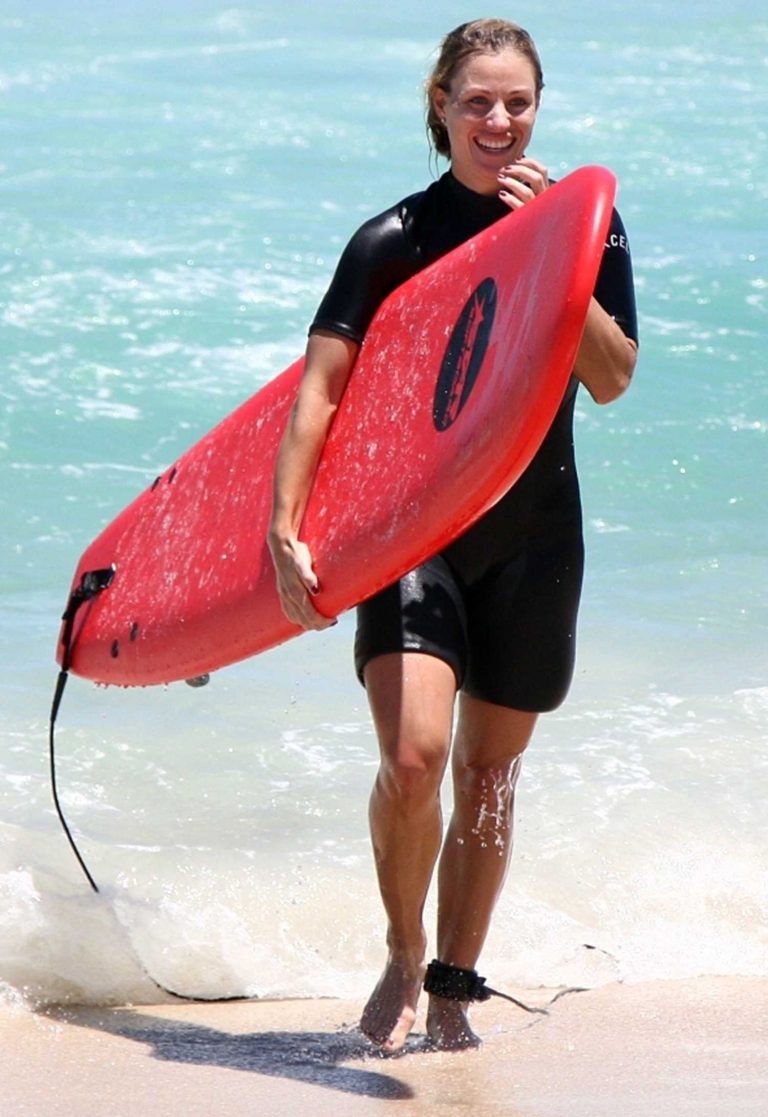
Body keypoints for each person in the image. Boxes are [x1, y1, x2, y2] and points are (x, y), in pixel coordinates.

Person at [268, 18, 638, 1052]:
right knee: (416, 755)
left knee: (488, 777)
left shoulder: (586, 226)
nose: (499, 120)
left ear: (539, 108)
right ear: (441, 106)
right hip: (412, 533)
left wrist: (553, 251)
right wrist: (284, 527)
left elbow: (612, 377)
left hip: (533, 535)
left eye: (518, 101)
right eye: (477, 100)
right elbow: (319, 390)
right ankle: (402, 945)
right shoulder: (392, 240)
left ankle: (452, 988)